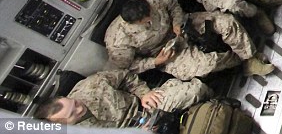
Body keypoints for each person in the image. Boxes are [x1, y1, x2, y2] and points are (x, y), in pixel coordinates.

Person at [105, 0, 273, 80]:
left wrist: (177, 23)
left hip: (182, 26)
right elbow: (129, 66)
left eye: (151, 13)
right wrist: (155, 62)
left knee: (226, 22)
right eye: (146, 20)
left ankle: (250, 58)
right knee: (206, 64)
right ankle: (241, 62)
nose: (151, 18)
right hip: (164, 53)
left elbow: (173, 6)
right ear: (135, 23)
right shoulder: (118, 41)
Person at [34, 70, 211, 128]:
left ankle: (216, 105)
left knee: (194, 90)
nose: (80, 108)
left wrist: (143, 93)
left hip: (145, 108)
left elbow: (126, 77)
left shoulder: (92, 86)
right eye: (73, 113)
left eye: (74, 104)